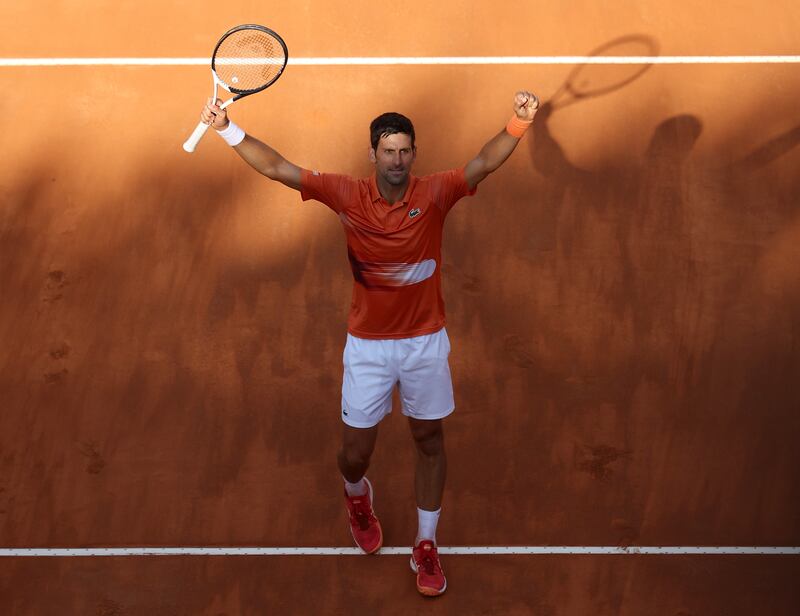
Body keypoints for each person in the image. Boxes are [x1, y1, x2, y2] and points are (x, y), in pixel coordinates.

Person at [199, 90, 539, 596]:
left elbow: (483, 163)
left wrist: (518, 121)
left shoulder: (436, 193)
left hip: (425, 341)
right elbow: (278, 168)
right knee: (355, 453)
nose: (397, 161)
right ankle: (357, 495)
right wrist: (226, 128)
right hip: (369, 347)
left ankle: (426, 544)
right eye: (388, 152)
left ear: (414, 155)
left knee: (428, 438)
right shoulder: (346, 195)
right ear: (372, 154)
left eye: (405, 151)